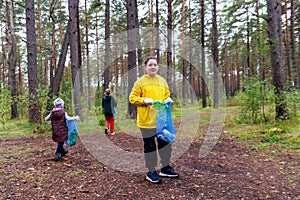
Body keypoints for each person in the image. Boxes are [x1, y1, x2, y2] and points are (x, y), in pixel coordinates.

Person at [129, 56, 179, 184]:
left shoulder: (162, 81)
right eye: (150, 65)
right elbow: (132, 98)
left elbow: (166, 94)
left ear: (158, 67)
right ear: (145, 67)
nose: (152, 67)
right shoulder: (140, 82)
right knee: (150, 146)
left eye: (155, 65)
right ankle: (151, 171)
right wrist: (144, 100)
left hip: (161, 120)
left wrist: (168, 99)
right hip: (147, 121)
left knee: (165, 143)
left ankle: (165, 168)